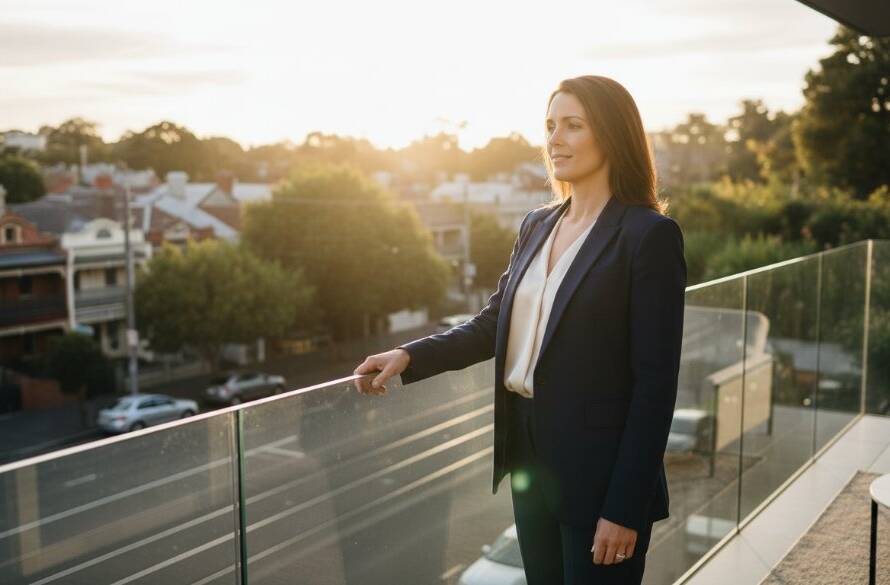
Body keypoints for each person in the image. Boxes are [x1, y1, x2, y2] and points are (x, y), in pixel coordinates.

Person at [353, 74, 686, 585]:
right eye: (550, 125)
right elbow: (494, 323)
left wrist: (624, 507)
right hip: (530, 463)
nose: (554, 139)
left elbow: (655, 387)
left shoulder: (648, 236)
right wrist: (412, 356)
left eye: (573, 125)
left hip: (602, 476)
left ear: (613, 134)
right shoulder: (538, 223)